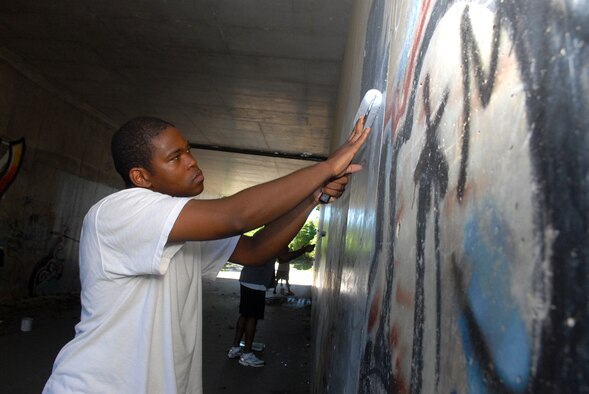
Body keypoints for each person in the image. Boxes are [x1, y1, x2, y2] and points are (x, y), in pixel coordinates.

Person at [42, 115, 370, 393]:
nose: (191, 161)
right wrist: (326, 168)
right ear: (141, 177)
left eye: (188, 150)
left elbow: (256, 250)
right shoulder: (119, 210)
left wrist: (315, 196)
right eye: (175, 157)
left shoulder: (181, 224)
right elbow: (236, 215)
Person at [228, 244, 315, 367]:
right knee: (252, 317)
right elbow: (283, 257)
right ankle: (247, 355)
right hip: (256, 281)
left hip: (248, 278)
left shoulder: (264, 236)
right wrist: (304, 249)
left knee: (245, 314)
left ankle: (235, 349)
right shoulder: (274, 237)